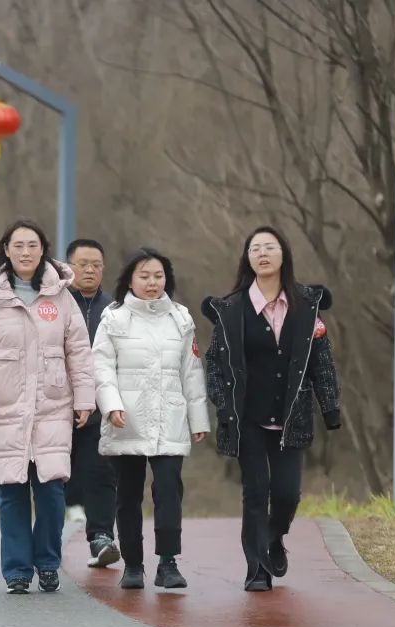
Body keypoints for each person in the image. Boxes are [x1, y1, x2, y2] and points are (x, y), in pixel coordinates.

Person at [0, 219, 95, 594]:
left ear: (43, 250)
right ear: (6, 250)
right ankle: (17, 569)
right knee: (12, 494)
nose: (25, 252)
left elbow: (78, 351)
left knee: (51, 493)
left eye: (32, 245)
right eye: (18, 245)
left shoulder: (60, 297)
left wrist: (85, 398)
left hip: (52, 408)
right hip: (5, 410)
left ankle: (47, 562)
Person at [201, 226, 342, 592]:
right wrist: (223, 403)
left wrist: (330, 407)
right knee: (255, 491)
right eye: (255, 249)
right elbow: (214, 362)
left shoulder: (306, 306)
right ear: (247, 258)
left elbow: (321, 360)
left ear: (284, 255)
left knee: (286, 494)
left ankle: (275, 536)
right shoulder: (231, 309)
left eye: (269, 247)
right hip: (246, 417)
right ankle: (257, 568)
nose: (262, 253)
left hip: (292, 416)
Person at [93, 248, 210, 590]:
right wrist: (111, 405)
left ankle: (168, 562)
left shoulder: (181, 318)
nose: (152, 282)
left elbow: (191, 371)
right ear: (130, 280)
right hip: (125, 419)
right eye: (144, 276)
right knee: (128, 495)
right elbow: (101, 367)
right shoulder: (114, 318)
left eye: (158, 276)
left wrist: (199, 420)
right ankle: (133, 565)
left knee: (169, 490)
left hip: (169, 418)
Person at [65, 238, 121, 568]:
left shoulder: (115, 311)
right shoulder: (53, 306)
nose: (89, 270)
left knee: (102, 472)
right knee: (52, 477)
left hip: (99, 408)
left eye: (96, 265)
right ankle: (44, 543)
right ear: (68, 267)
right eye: (82, 264)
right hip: (56, 407)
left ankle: (101, 536)